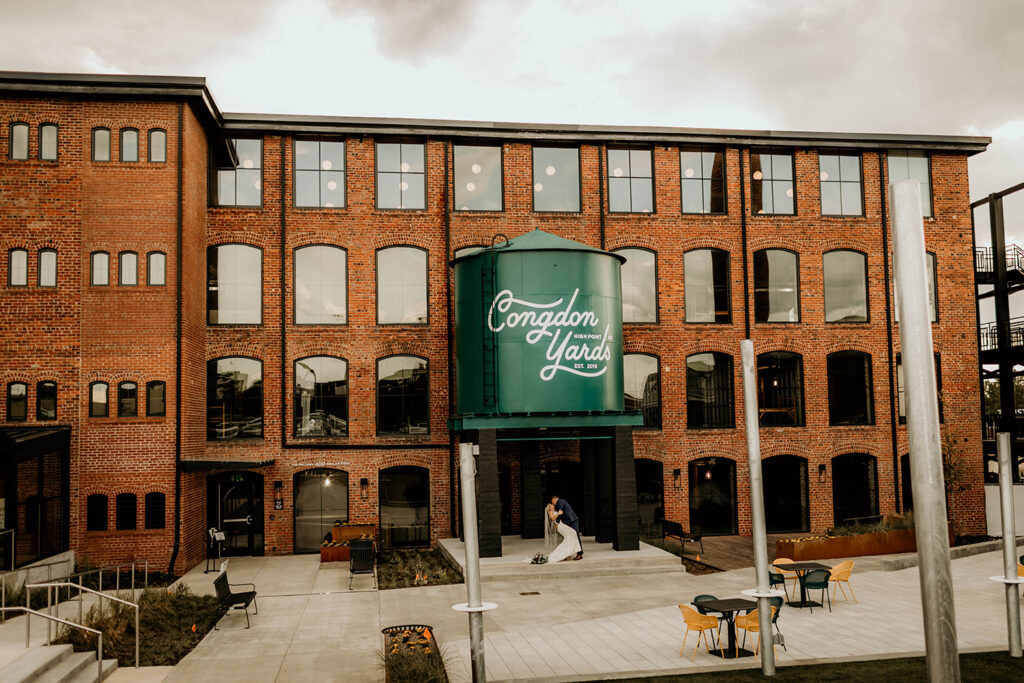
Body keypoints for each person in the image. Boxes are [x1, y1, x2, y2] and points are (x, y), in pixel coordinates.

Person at [551, 494, 583, 560]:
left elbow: (560, 512)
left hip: (572, 520)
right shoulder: (560, 503)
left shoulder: (560, 501)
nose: (553, 503)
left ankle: (580, 554)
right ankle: (568, 553)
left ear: (554, 499)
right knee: (569, 537)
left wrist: (557, 522)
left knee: (576, 536)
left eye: (552, 502)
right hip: (568, 521)